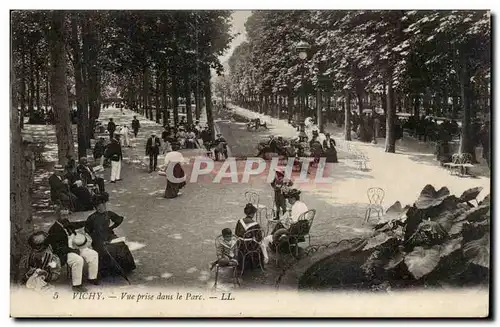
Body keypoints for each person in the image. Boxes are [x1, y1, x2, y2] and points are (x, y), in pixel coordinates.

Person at [46, 208, 99, 292]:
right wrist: (73, 251)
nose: (65, 217)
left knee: (93, 254)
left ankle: (92, 278)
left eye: (66, 214)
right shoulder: (54, 230)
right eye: (63, 215)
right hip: (64, 253)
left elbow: (75, 224)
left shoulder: (65, 222)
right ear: (57, 216)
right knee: (78, 260)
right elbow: (58, 248)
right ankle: (76, 285)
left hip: (75, 246)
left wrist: (87, 222)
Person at [85, 193, 136, 278]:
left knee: (121, 245)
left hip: (109, 236)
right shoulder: (92, 218)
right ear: (96, 207)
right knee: (106, 250)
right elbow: (87, 230)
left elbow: (119, 220)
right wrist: (94, 236)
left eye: (103, 205)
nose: (102, 208)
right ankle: (108, 270)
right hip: (98, 239)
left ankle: (126, 268)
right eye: (99, 207)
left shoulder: (109, 214)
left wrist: (111, 228)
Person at [262, 189, 309, 254]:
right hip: (305, 226)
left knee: (280, 224)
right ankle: (272, 239)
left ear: (293, 198)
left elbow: (293, 221)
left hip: (297, 229)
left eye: (289, 198)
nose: (288, 200)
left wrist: (286, 221)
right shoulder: (302, 204)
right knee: (281, 223)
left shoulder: (295, 207)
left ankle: (272, 240)